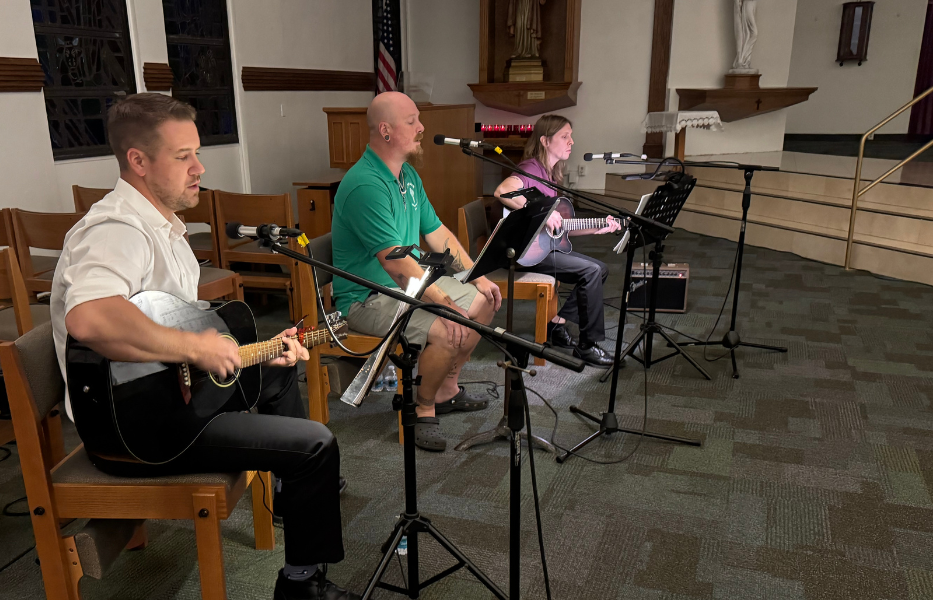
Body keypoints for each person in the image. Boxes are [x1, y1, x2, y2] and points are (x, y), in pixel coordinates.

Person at [49, 93, 358, 600]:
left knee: (279, 369)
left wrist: (255, 351)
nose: (200, 167)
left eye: (197, 152)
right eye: (183, 156)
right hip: (139, 428)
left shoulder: (164, 227)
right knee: (315, 445)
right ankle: (301, 584)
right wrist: (195, 348)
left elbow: (176, 319)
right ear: (138, 161)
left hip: (168, 393)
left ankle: (290, 494)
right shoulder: (116, 230)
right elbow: (89, 317)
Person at [331, 92, 502, 452]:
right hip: (368, 298)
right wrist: (442, 304)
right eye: (412, 121)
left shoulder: (407, 175)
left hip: (407, 286)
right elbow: (395, 264)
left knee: (485, 300)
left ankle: (445, 390)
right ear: (386, 130)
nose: (422, 128)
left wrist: (477, 275)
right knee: (446, 328)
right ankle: (422, 408)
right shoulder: (364, 185)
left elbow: (438, 234)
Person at [493, 114, 622, 367]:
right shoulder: (531, 169)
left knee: (600, 269)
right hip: (524, 252)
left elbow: (560, 228)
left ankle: (556, 325)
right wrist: (541, 212)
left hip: (543, 248)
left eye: (570, 136)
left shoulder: (549, 175)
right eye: (564, 136)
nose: (571, 141)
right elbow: (503, 191)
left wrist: (596, 228)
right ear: (545, 141)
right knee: (591, 271)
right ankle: (587, 346)